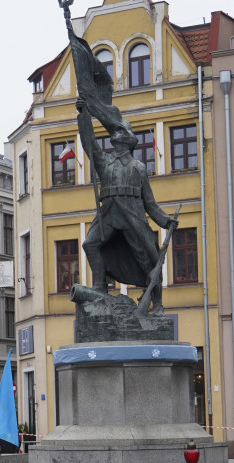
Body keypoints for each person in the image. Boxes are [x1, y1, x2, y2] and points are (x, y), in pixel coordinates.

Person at [76, 100, 177, 314]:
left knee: (148, 258)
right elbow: (89, 143)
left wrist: (165, 220)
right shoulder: (104, 161)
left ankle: (157, 303)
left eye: (119, 131)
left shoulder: (138, 168)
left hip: (132, 214)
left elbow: (149, 202)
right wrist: (83, 115)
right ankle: (100, 286)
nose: (114, 134)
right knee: (90, 244)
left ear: (127, 140)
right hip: (109, 212)